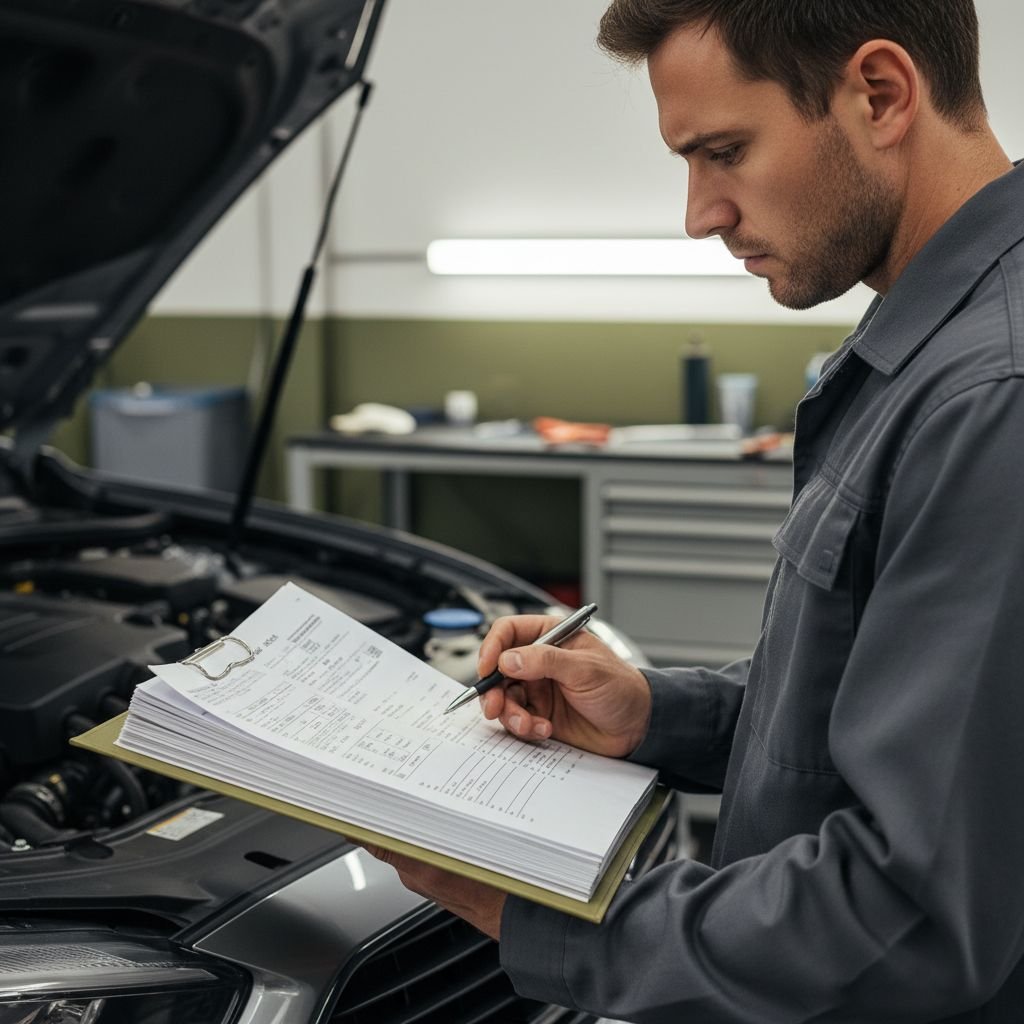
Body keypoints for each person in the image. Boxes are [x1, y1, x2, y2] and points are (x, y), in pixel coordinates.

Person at [364, 1, 1024, 1019]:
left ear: (880, 94)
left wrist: (546, 919)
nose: (699, 213)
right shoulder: (926, 346)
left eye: (724, 151)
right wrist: (656, 712)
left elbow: (913, 918)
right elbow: (881, 708)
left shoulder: (991, 397)